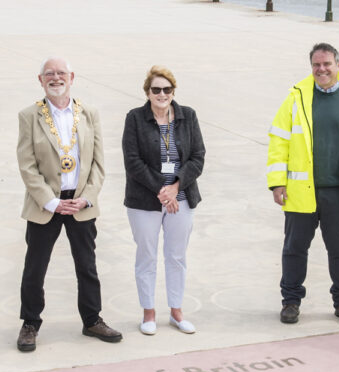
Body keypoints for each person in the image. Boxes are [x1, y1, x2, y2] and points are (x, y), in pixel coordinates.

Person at [266, 43, 339, 327]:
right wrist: (276, 183)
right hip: (301, 190)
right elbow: (278, 141)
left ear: (338, 65)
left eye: (327, 64)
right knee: (294, 249)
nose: (322, 70)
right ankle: (291, 302)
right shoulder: (296, 98)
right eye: (317, 65)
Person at [15, 56, 121, 352]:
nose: (55, 78)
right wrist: (51, 202)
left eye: (61, 73)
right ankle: (30, 323)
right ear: (40, 80)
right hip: (45, 204)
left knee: (87, 265)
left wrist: (86, 197)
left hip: (81, 202)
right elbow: (27, 165)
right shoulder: (28, 116)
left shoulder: (89, 113)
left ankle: (92, 319)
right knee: (35, 267)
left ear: (72, 77)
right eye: (49, 74)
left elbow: (99, 164)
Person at [121, 66, 206, 335]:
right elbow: (132, 161)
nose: (161, 94)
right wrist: (163, 189)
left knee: (176, 256)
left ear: (173, 91)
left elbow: (198, 157)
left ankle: (176, 312)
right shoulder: (135, 118)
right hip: (145, 200)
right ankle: (148, 312)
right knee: (146, 256)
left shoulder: (188, 116)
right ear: (147, 92)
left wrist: (176, 186)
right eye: (156, 89)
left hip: (181, 198)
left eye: (166, 89)